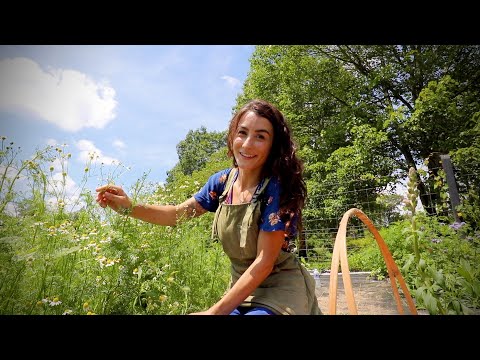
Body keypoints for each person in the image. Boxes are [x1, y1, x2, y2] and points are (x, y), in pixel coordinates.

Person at [96, 99, 322, 315]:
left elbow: (263, 264)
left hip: (280, 290)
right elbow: (176, 214)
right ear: (233, 135)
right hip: (240, 291)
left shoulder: (276, 188)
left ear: (273, 146)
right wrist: (129, 207)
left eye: (260, 137)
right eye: (242, 133)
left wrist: (214, 311)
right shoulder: (222, 183)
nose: (247, 144)